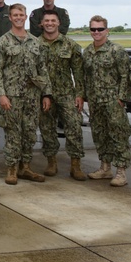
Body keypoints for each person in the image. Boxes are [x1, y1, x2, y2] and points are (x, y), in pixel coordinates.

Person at [0, 3, 52, 185]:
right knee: (13, 133)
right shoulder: (1, 43)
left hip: (32, 96)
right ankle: (11, 169)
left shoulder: (35, 42)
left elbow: (43, 69)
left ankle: (25, 166)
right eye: (15, 15)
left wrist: (46, 94)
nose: (18, 18)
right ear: (10, 18)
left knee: (30, 132)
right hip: (12, 96)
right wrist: (1, 94)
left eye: (21, 15)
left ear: (26, 17)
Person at [81, 15, 131, 186]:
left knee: (118, 135)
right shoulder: (87, 52)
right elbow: (84, 77)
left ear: (107, 31)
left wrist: (121, 98)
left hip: (112, 100)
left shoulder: (116, 50)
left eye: (100, 29)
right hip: (95, 101)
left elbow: (126, 75)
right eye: (93, 29)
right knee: (100, 134)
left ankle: (121, 172)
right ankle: (105, 167)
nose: (96, 32)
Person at [38, 9, 87, 180]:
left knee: (74, 126)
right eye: (47, 21)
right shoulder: (34, 45)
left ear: (59, 23)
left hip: (66, 93)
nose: (50, 23)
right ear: (41, 24)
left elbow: (78, 72)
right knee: (47, 129)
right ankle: (51, 162)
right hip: (44, 95)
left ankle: (76, 165)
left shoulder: (70, 45)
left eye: (53, 20)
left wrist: (80, 94)